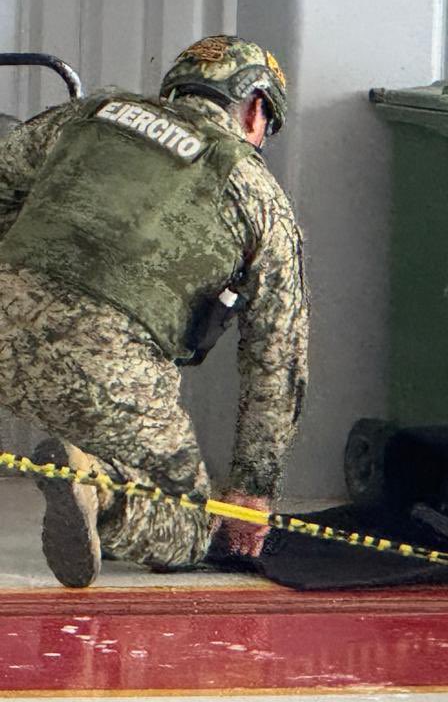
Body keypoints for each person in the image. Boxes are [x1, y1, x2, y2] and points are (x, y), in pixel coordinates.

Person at [0, 36, 309, 587]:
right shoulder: (258, 194)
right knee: (187, 522)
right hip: (108, 366)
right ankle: (98, 492)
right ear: (256, 108)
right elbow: (276, 361)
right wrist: (250, 492)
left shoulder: (88, 114)